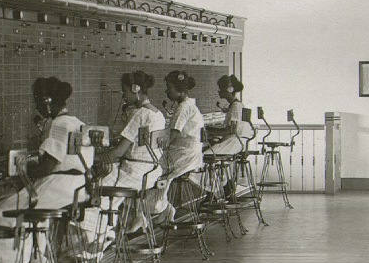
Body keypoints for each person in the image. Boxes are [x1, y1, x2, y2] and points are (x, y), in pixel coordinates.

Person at [0, 77, 88, 263]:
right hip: (76, 187)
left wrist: (19, 172)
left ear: (47, 101)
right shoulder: (77, 122)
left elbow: (47, 167)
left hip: (60, 184)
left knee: (2, 211)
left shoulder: (59, 124)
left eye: (37, 101)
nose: (36, 107)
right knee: (36, 215)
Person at [146, 70, 205, 222]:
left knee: (152, 169)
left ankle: (156, 208)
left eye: (169, 88)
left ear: (179, 90)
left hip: (184, 154)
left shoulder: (183, 108)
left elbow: (173, 134)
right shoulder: (190, 105)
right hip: (191, 153)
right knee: (157, 169)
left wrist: (154, 145)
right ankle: (159, 207)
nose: (166, 91)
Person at [94, 71, 167, 193]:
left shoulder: (139, 114)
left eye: (124, 91)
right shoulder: (158, 114)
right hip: (152, 171)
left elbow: (118, 152)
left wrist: (91, 157)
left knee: (96, 184)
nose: (123, 95)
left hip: (134, 173)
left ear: (135, 89)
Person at [205, 74, 256, 196]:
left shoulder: (236, 106)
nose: (219, 92)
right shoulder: (235, 105)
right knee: (215, 160)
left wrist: (209, 131)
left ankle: (212, 194)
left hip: (234, 142)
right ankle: (226, 187)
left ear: (229, 90)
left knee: (205, 158)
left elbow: (230, 130)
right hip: (237, 142)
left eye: (221, 89)